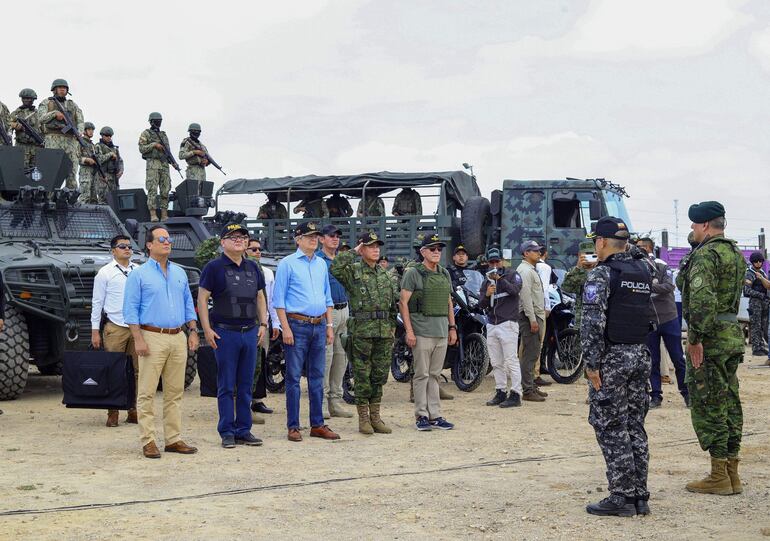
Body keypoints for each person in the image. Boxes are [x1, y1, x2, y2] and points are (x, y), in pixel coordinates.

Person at [582, 216, 653, 517]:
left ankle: (621, 497)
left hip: (612, 360)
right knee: (635, 425)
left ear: (600, 242)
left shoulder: (601, 274)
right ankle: (639, 496)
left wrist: (591, 364)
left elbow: (592, 322)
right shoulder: (642, 269)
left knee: (611, 426)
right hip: (640, 354)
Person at [678, 201, 745, 496]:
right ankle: (732, 473)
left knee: (709, 403)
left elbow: (702, 300)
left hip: (711, 339)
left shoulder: (706, 255)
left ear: (705, 225)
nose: (692, 229)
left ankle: (719, 475)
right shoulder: (734, 252)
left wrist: (695, 339)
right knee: (730, 401)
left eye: (694, 225)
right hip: (731, 335)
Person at [123, 225, 199, 459]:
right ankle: (148, 440)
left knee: (175, 392)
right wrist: (138, 339)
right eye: (162, 239)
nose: (167, 242)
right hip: (151, 336)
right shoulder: (139, 274)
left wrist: (193, 331)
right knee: (146, 392)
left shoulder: (179, 273)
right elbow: (130, 309)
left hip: (178, 336)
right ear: (149, 245)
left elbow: (188, 303)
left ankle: (173, 439)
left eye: (169, 239)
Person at [198, 223, 268, 449]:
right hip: (225, 333)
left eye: (243, 237)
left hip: (249, 333)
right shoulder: (214, 267)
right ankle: (227, 431)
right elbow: (202, 300)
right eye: (233, 237)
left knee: (246, 385)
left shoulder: (253, 267)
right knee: (227, 385)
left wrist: (264, 324)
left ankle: (244, 430)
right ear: (223, 242)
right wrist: (207, 330)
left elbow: (259, 297)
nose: (239, 240)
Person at [272, 222, 339, 442]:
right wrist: (285, 328)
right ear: (297, 239)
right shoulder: (287, 264)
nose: (314, 239)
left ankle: (317, 424)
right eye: (309, 236)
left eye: (316, 235)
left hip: (319, 324)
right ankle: (293, 426)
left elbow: (327, 297)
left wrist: (329, 326)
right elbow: (278, 300)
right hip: (297, 325)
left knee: (317, 377)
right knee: (292, 378)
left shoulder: (321, 264)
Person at [331, 231, 399, 434]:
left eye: (377, 246)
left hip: (383, 332)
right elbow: (335, 267)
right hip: (361, 331)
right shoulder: (353, 272)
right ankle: (363, 419)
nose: (376, 249)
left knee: (379, 376)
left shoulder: (385, 273)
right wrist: (354, 251)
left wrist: (392, 327)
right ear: (362, 249)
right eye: (370, 246)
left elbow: (392, 304)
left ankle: (376, 417)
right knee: (362, 375)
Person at [399, 233, 457, 431]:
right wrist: (409, 331)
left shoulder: (444, 273)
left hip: (441, 331)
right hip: (422, 331)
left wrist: (452, 327)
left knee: (435, 375)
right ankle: (421, 415)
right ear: (423, 252)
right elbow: (403, 303)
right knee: (422, 375)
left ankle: (436, 415)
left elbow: (448, 302)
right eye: (432, 249)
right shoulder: (413, 273)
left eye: (439, 249)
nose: (436, 252)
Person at [90, 235, 138, 427]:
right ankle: (113, 411)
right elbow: (97, 302)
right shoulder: (105, 273)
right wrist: (95, 330)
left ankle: (133, 409)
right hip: (115, 326)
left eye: (129, 246)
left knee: (137, 371)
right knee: (113, 370)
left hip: (136, 327)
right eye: (122, 246)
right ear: (113, 251)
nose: (127, 249)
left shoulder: (139, 270)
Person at [635, 237, 689, 409]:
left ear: (649, 248)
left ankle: (687, 393)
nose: (638, 250)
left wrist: (649, 286)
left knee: (678, 358)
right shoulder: (636, 267)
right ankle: (656, 396)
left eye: (641, 247)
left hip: (668, 318)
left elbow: (668, 287)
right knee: (652, 360)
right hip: (648, 320)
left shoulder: (661, 265)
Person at [316, 224, 353, 419]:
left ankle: (335, 401)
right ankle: (321, 402)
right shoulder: (317, 260)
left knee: (341, 357)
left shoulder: (340, 260)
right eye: (331, 236)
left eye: (337, 236)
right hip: (327, 313)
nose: (335, 239)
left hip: (344, 309)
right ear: (321, 239)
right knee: (326, 358)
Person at [479, 247, 523, 408]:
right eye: (492, 262)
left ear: (502, 261)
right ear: (488, 263)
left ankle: (516, 394)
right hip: (492, 324)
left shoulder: (512, 275)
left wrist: (500, 280)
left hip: (508, 323)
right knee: (496, 361)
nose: (495, 264)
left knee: (511, 360)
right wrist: (487, 294)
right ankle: (500, 391)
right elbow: (481, 304)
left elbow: (515, 290)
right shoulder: (486, 281)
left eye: (497, 261)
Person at [246, 238, 279, 418]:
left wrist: (274, 322)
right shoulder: (244, 269)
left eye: (259, 249)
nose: (257, 252)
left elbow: (270, 300)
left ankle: (257, 400)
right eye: (253, 249)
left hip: (262, 324)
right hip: (247, 322)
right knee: (248, 364)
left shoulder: (267, 272)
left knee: (260, 362)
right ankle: (243, 403)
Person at [37, 79, 84, 189]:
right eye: (60, 88)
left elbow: (80, 121)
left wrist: (79, 132)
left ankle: (71, 198)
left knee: (72, 171)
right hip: (53, 139)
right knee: (51, 170)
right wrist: (54, 113)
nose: (63, 90)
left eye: (65, 88)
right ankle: (48, 198)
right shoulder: (47, 102)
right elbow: (41, 118)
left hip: (71, 140)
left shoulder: (73, 105)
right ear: (54, 90)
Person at [516, 240, 547, 402]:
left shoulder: (529, 269)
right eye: (534, 251)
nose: (538, 253)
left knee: (533, 353)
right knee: (529, 354)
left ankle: (530, 386)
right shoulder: (525, 271)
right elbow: (525, 296)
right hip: (531, 317)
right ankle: (527, 389)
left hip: (535, 315)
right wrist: (532, 319)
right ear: (526, 253)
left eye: (538, 250)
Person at [138, 112, 173, 221]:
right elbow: (142, 149)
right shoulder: (146, 134)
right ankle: (153, 213)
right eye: (156, 121)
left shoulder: (163, 134)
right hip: (153, 163)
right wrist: (154, 145)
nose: (158, 123)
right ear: (151, 121)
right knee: (152, 188)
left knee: (165, 189)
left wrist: (173, 162)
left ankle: (164, 214)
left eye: (160, 121)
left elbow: (168, 150)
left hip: (164, 163)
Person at [534, 247, 555, 387]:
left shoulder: (531, 267)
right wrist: (547, 307)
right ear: (544, 253)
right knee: (538, 342)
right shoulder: (545, 267)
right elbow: (544, 288)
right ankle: (535, 374)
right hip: (540, 307)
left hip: (529, 306)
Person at [744, 251, 770, 355]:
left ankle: (761, 346)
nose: (758, 263)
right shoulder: (750, 273)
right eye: (756, 261)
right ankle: (756, 348)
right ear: (752, 262)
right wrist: (760, 295)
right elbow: (747, 290)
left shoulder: (762, 273)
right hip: (755, 304)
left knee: (763, 326)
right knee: (755, 326)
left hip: (764, 303)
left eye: (760, 261)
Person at [9, 88, 42, 167]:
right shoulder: (16, 113)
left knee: (36, 172)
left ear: (33, 99)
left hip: (36, 147)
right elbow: (7, 123)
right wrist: (15, 125)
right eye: (24, 98)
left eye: (28, 98)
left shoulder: (38, 113)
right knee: (20, 169)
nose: (26, 100)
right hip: (22, 146)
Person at [93, 126, 124, 204]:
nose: (109, 137)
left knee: (115, 200)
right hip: (103, 176)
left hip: (114, 177)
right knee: (103, 200)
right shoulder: (98, 146)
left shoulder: (115, 148)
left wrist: (121, 171)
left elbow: (120, 161)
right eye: (107, 135)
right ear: (102, 136)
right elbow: (98, 160)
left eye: (110, 136)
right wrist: (110, 154)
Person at [178, 122, 209, 188]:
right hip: (193, 170)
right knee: (193, 192)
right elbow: (181, 155)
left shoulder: (202, 145)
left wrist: (206, 162)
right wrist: (194, 152)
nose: (196, 133)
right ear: (190, 132)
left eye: (198, 131)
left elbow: (207, 158)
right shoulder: (186, 142)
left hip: (202, 171)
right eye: (195, 131)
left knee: (202, 193)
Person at [77, 122, 100, 203]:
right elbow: (76, 157)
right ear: (84, 131)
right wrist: (86, 160)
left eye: (92, 130)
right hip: (85, 172)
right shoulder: (80, 142)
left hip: (94, 173)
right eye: (89, 129)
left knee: (94, 199)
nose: (91, 132)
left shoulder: (93, 145)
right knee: (85, 197)